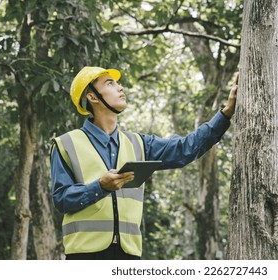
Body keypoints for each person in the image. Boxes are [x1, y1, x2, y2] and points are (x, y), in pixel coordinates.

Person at [50, 66, 238, 260]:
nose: (120, 88)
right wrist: (99, 187)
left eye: (118, 83)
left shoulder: (139, 144)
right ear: (93, 97)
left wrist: (226, 114)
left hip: (129, 256)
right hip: (84, 258)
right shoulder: (66, 144)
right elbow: (61, 199)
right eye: (110, 83)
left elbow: (184, 149)